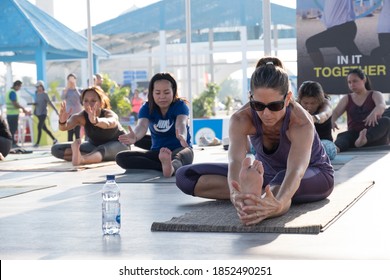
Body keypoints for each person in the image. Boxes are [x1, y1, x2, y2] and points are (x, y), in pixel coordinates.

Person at [175, 57, 334, 225]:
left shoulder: (301, 122)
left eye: (274, 106)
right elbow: (235, 160)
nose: (266, 114)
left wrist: (279, 204)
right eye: (258, 105)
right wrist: (235, 192)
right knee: (185, 176)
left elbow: (296, 171)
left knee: (282, 179)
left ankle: (267, 204)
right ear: (250, 97)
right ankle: (258, 196)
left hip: (313, 174)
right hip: (266, 175)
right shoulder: (241, 119)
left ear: (287, 99)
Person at [115, 72, 194, 177]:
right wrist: (135, 136)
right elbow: (142, 126)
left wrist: (182, 137)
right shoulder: (147, 107)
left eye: (166, 92)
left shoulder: (180, 105)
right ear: (151, 93)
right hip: (158, 152)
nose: (162, 97)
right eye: (157, 93)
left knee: (183, 155)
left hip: (179, 149)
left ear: (173, 91)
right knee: (121, 157)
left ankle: (171, 168)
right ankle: (164, 165)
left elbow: (181, 123)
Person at [51, 86, 129, 166]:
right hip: (94, 145)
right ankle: (86, 155)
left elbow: (109, 123)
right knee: (56, 149)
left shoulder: (108, 114)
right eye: (86, 101)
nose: (89, 104)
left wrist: (96, 121)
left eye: (93, 101)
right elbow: (64, 127)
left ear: (101, 103)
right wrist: (62, 121)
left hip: (119, 145)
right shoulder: (81, 116)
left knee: (102, 149)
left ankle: (82, 159)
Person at [331, 68, 390, 152]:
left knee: (386, 121)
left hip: (373, 135)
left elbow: (381, 105)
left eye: (355, 81)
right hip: (355, 136)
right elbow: (336, 112)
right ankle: (335, 149)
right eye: (349, 82)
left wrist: (374, 113)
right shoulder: (347, 98)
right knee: (343, 136)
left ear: (364, 80)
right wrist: (332, 120)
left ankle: (365, 140)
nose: (352, 85)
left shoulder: (375, 94)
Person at [305, 0, 363, 66]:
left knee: (311, 43)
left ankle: (320, 73)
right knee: (357, 59)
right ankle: (374, 60)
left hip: (343, 29)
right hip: (339, 29)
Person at [297, 81, 337, 159]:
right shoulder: (296, 105)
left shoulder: (325, 103)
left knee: (322, 148)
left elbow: (325, 114)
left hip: (323, 142)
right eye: (305, 103)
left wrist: (313, 118)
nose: (309, 106)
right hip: (302, 143)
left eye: (313, 103)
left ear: (319, 101)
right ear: (300, 100)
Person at [32, 81, 59, 147]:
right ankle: (55, 139)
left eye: (39, 86)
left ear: (42, 86)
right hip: (38, 113)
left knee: (39, 127)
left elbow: (50, 102)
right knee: (45, 128)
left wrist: (55, 110)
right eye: (37, 87)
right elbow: (36, 103)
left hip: (43, 113)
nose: (38, 88)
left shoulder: (45, 94)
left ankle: (37, 143)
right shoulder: (36, 94)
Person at [5, 80, 31, 147]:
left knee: (11, 129)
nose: (19, 88)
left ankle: (12, 143)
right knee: (13, 129)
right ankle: (12, 143)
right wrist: (23, 108)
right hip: (13, 114)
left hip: (9, 113)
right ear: (17, 86)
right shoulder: (13, 93)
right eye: (20, 86)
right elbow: (15, 103)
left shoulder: (9, 92)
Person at [61, 73, 82, 141]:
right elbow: (62, 97)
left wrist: (75, 88)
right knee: (70, 131)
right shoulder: (65, 90)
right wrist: (67, 88)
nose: (71, 81)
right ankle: (69, 148)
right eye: (69, 79)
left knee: (77, 132)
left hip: (78, 113)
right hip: (69, 113)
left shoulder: (78, 89)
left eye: (73, 79)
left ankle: (78, 148)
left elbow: (80, 98)